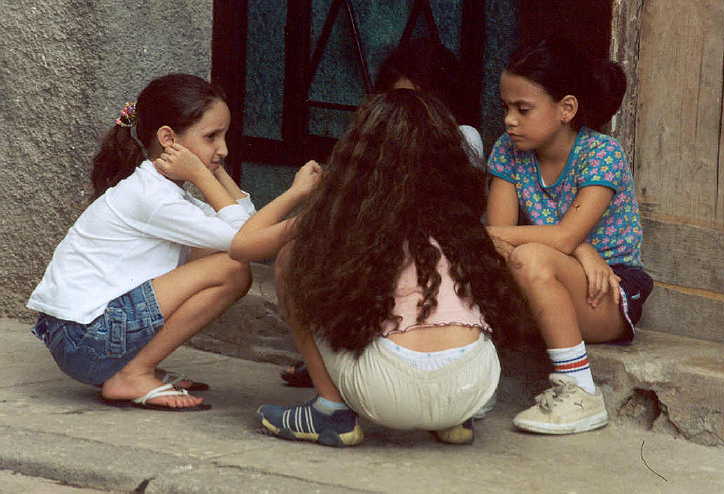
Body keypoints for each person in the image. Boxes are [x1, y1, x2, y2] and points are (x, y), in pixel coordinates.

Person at [230, 89, 529, 447]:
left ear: (361, 151)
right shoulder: (460, 221)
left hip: (388, 391)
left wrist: (297, 192)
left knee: (290, 257)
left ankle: (330, 412)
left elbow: (242, 246)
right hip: (473, 387)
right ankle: (453, 422)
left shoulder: (341, 217)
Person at [26, 73, 317, 412]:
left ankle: (130, 368)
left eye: (225, 136)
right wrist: (294, 193)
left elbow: (247, 226)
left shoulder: (162, 192)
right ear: (168, 138)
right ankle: (133, 373)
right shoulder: (153, 198)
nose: (223, 148)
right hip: (85, 340)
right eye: (211, 137)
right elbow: (244, 241)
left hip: (83, 339)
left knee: (223, 256)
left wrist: (215, 168)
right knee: (230, 267)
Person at [280, 37, 487, 388]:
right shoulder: (378, 141)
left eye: (418, 102)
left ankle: (332, 388)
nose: (406, 117)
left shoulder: (460, 137)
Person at [486, 37, 653, 434]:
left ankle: (579, 391)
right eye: (506, 108)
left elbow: (555, 237)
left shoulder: (601, 153)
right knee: (494, 259)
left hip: (607, 289)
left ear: (567, 109)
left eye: (523, 109)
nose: (509, 120)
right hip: (540, 277)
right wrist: (580, 248)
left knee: (528, 256)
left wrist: (572, 245)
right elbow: (494, 239)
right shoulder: (508, 152)